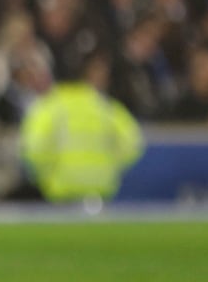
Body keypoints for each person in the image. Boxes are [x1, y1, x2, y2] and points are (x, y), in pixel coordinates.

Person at [18, 51, 145, 205]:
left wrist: (47, 173)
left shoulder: (49, 107)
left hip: (61, 191)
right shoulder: (105, 107)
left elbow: (33, 147)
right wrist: (111, 166)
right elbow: (133, 143)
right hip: (100, 190)